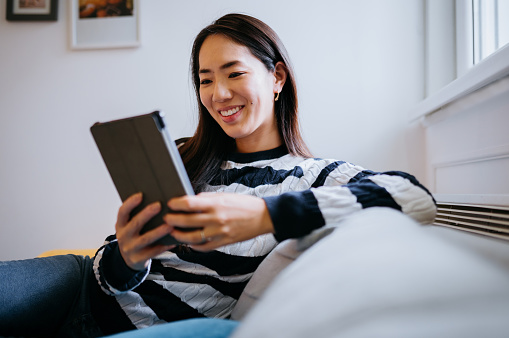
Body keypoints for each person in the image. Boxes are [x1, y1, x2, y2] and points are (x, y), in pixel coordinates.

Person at [0, 13, 436, 338]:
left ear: (277, 76)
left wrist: (264, 215)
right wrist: (127, 256)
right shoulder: (184, 155)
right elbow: (112, 261)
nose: (218, 94)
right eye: (205, 80)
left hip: (141, 327)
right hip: (78, 283)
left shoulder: (313, 175)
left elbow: (414, 196)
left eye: (234, 73)